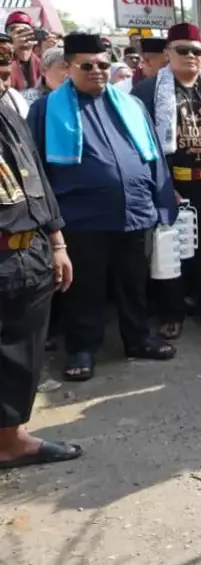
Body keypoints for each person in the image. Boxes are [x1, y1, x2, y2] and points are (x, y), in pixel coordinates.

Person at [27, 33, 178, 381]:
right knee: (85, 288)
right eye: (87, 65)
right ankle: (82, 348)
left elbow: (152, 154)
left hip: (135, 213)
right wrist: (50, 222)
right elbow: (35, 168)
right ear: (68, 67)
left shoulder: (130, 105)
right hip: (82, 219)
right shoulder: (46, 110)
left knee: (133, 284)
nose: (97, 71)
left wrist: (162, 200)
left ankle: (138, 338)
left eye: (103, 65)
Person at [131, 22, 201, 338]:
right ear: (168, 53)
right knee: (170, 251)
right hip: (171, 185)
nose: (191, 56)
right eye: (183, 50)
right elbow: (140, 146)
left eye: (197, 51)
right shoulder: (147, 92)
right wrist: (161, 188)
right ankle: (172, 313)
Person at [0, 48, 81, 469]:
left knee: (22, 351)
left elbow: (36, 178)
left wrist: (57, 241)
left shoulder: (9, 109)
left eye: (3, 68)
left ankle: (11, 438)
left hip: (27, 250)